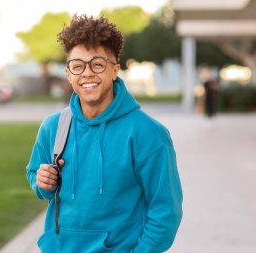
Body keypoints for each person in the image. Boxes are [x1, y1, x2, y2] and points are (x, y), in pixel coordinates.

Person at [26, 15, 183, 253]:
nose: (87, 73)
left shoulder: (148, 134)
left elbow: (166, 210)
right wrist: (42, 182)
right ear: (69, 74)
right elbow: (35, 175)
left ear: (114, 71)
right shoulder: (53, 127)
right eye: (77, 66)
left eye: (97, 64)